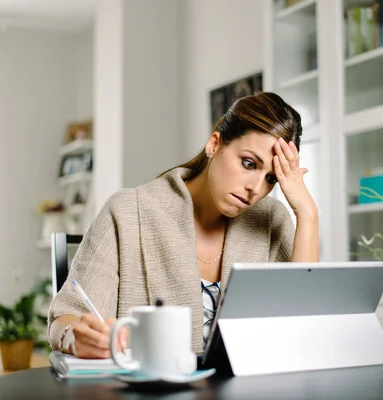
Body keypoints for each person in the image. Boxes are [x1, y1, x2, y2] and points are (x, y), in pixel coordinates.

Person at [48, 92, 319, 359]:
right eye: (249, 163)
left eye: (271, 178)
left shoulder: (273, 219)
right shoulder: (128, 211)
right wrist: (75, 338)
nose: (255, 188)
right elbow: (65, 317)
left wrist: (307, 213)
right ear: (214, 144)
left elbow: (303, 325)